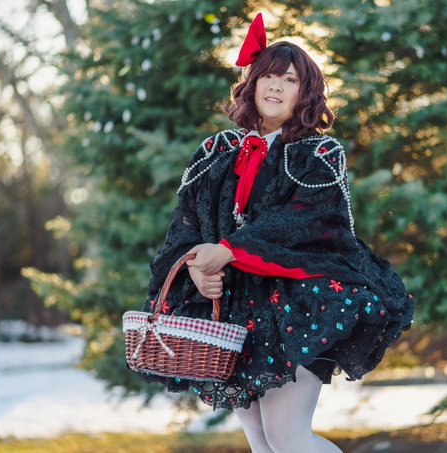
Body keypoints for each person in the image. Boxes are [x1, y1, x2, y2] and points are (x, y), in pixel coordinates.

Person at [137, 13, 415, 453]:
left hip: (296, 307)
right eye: (268, 75)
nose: (276, 86)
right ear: (251, 83)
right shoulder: (215, 151)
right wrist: (196, 268)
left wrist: (228, 249)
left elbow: (307, 221)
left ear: (305, 93)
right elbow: (185, 226)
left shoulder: (318, 153)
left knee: (288, 437)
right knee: (262, 441)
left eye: (289, 79)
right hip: (235, 311)